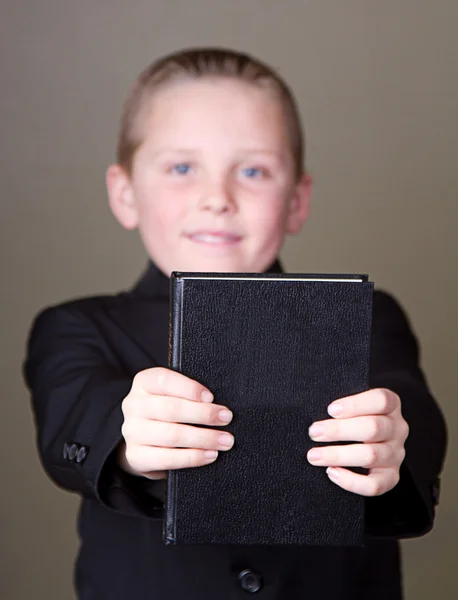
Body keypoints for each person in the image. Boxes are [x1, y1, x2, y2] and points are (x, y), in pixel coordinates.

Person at [24, 47, 447, 599]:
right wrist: (125, 438)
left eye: (252, 170)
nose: (217, 199)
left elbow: (417, 420)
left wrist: (393, 442)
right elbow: (73, 419)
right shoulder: (74, 326)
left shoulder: (370, 316)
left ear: (297, 200)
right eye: (181, 168)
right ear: (124, 193)